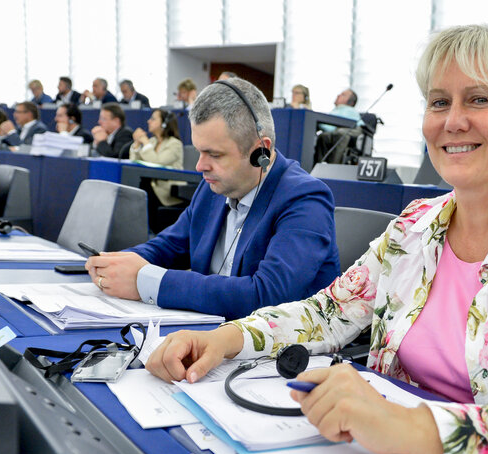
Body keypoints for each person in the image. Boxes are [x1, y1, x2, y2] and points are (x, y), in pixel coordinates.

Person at [146, 24, 488, 454]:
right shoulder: (415, 225)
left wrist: (415, 428)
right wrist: (229, 337)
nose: (453, 121)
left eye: (478, 100)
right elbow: (326, 314)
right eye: (438, 102)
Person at [85, 77, 341, 319]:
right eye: (199, 151)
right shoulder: (214, 188)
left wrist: (147, 281)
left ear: (260, 151)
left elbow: (267, 296)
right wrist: (115, 265)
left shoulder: (305, 199)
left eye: (214, 154)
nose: (200, 165)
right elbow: (168, 246)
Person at [313, 88, 363, 164]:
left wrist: (314, 120)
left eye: (343, 94)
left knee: (340, 133)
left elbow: (330, 128)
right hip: (339, 131)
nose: (338, 95)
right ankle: (318, 165)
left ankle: (334, 165)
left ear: (350, 102)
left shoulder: (348, 110)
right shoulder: (337, 110)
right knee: (323, 136)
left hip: (356, 131)